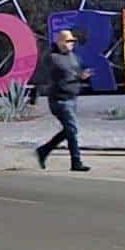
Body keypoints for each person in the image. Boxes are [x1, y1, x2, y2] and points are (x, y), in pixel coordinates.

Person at [35, 28, 91, 172]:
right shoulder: (53, 58)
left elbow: (75, 72)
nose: (71, 44)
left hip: (72, 98)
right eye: (67, 41)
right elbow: (63, 73)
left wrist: (81, 75)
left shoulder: (73, 56)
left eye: (72, 41)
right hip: (59, 100)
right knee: (72, 129)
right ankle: (76, 161)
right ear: (59, 42)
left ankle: (43, 151)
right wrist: (77, 76)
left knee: (69, 130)